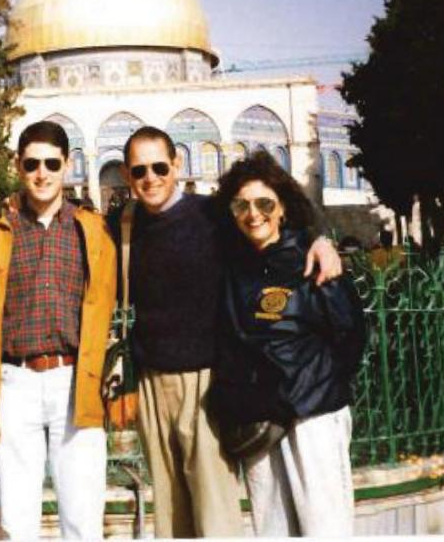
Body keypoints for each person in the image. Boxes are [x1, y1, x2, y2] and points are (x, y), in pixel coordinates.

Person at [110, 126, 342, 538]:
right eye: (140, 170)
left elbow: (281, 207)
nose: (151, 178)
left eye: (159, 167)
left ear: (177, 164)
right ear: (127, 175)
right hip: (150, 382)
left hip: (206, 381)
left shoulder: (211, 215)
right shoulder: (124, 224)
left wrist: (322, 239)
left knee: (214, 509)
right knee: (170, 513)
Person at [0, 121, 117, 540]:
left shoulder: (95, 230)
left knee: (82, 514)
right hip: (15, 380)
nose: (42, 172)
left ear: (67, 165)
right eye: (32, 163)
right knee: (15, 518)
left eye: (52, 162)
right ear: (18, 165)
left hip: (76, 381)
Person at [209, 150, 366, 537]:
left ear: (282, 209)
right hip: (261, 418)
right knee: (272, 525)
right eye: (242, 205)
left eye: (265, 203)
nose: (253, 214)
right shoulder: (231, 265)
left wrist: (315, 383)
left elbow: (350, 336)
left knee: (324, 526)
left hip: (312, 413)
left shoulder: (311, 260)